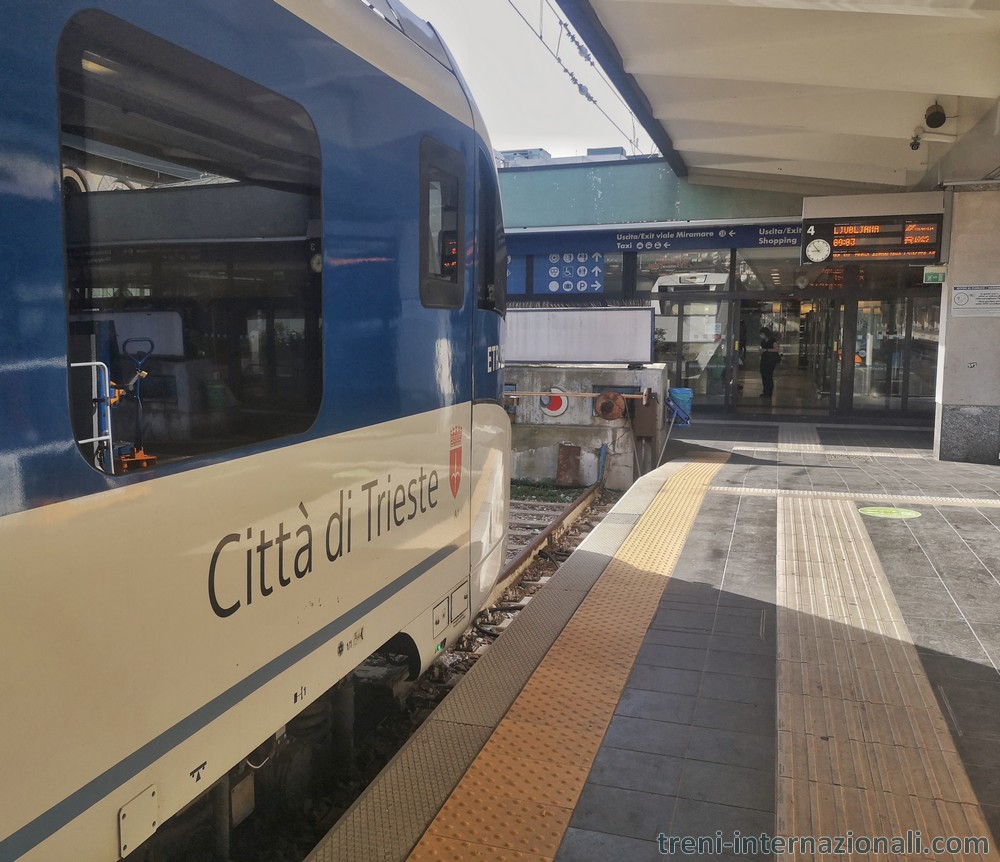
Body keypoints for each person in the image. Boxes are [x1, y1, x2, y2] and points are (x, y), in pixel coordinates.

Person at [759, 327, 780, 399]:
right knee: (764, 375)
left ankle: (769, 392)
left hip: (770, 360)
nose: (761, 335)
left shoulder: (772, 340)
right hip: (764, 360)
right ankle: (765, 391)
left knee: (768, 376)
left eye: (762, 334)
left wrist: (766, 350)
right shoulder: (763, 341)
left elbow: (776, 349)